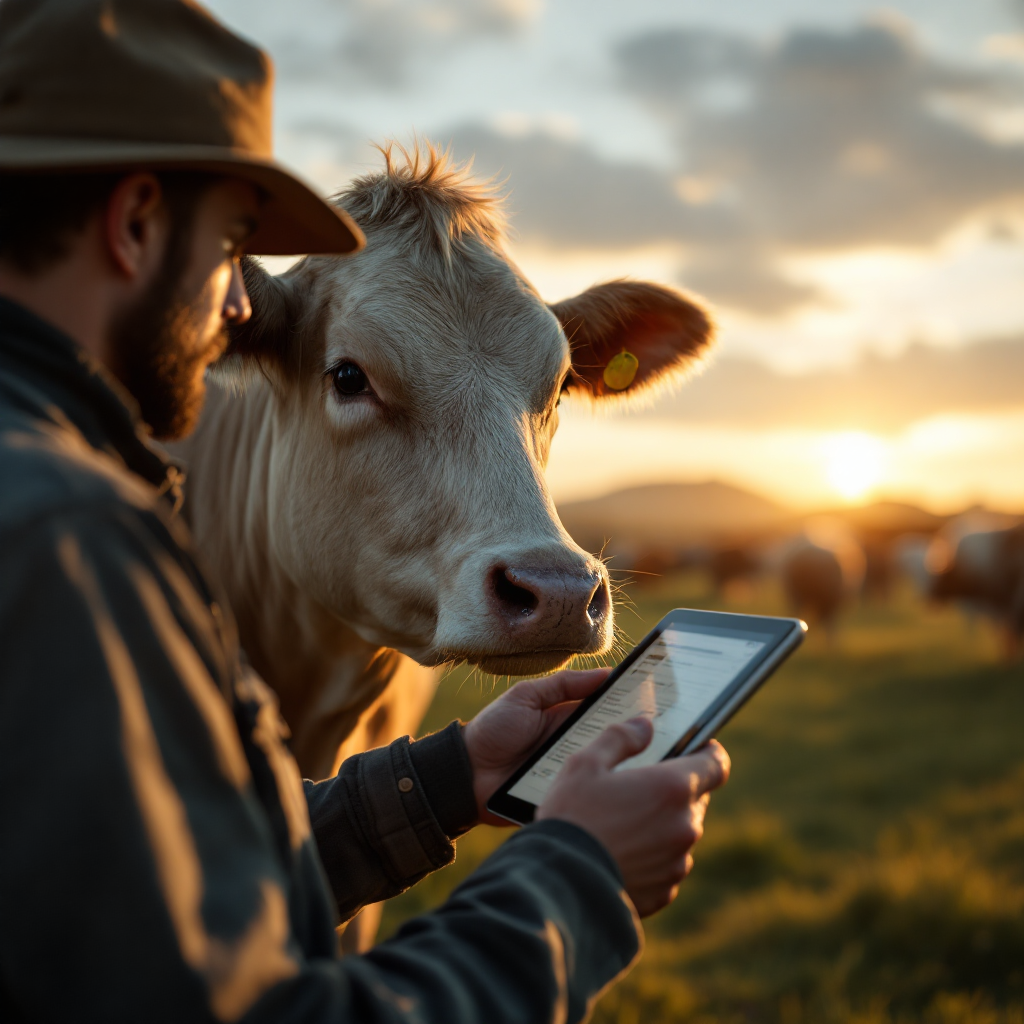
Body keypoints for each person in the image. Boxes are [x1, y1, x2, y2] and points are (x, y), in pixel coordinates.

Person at [0, 2, 730, 1022]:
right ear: (133, 225)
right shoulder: (62, 537)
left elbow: (124, 896)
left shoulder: (49, 487)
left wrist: (442, 780)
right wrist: (581, 876)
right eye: (231, 246)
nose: (239, 304)